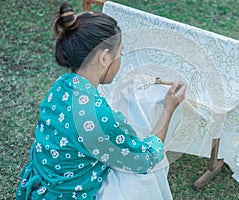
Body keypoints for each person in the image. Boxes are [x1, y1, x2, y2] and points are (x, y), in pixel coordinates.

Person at [16, 2, 186, 199]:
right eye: (119, 54)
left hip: (46, 183)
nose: (120, 60)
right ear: (104, 57)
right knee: (142, 179)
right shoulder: (97, 119)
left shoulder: (61, 85)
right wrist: (168, 109)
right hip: (68, 194)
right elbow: (146, 159)